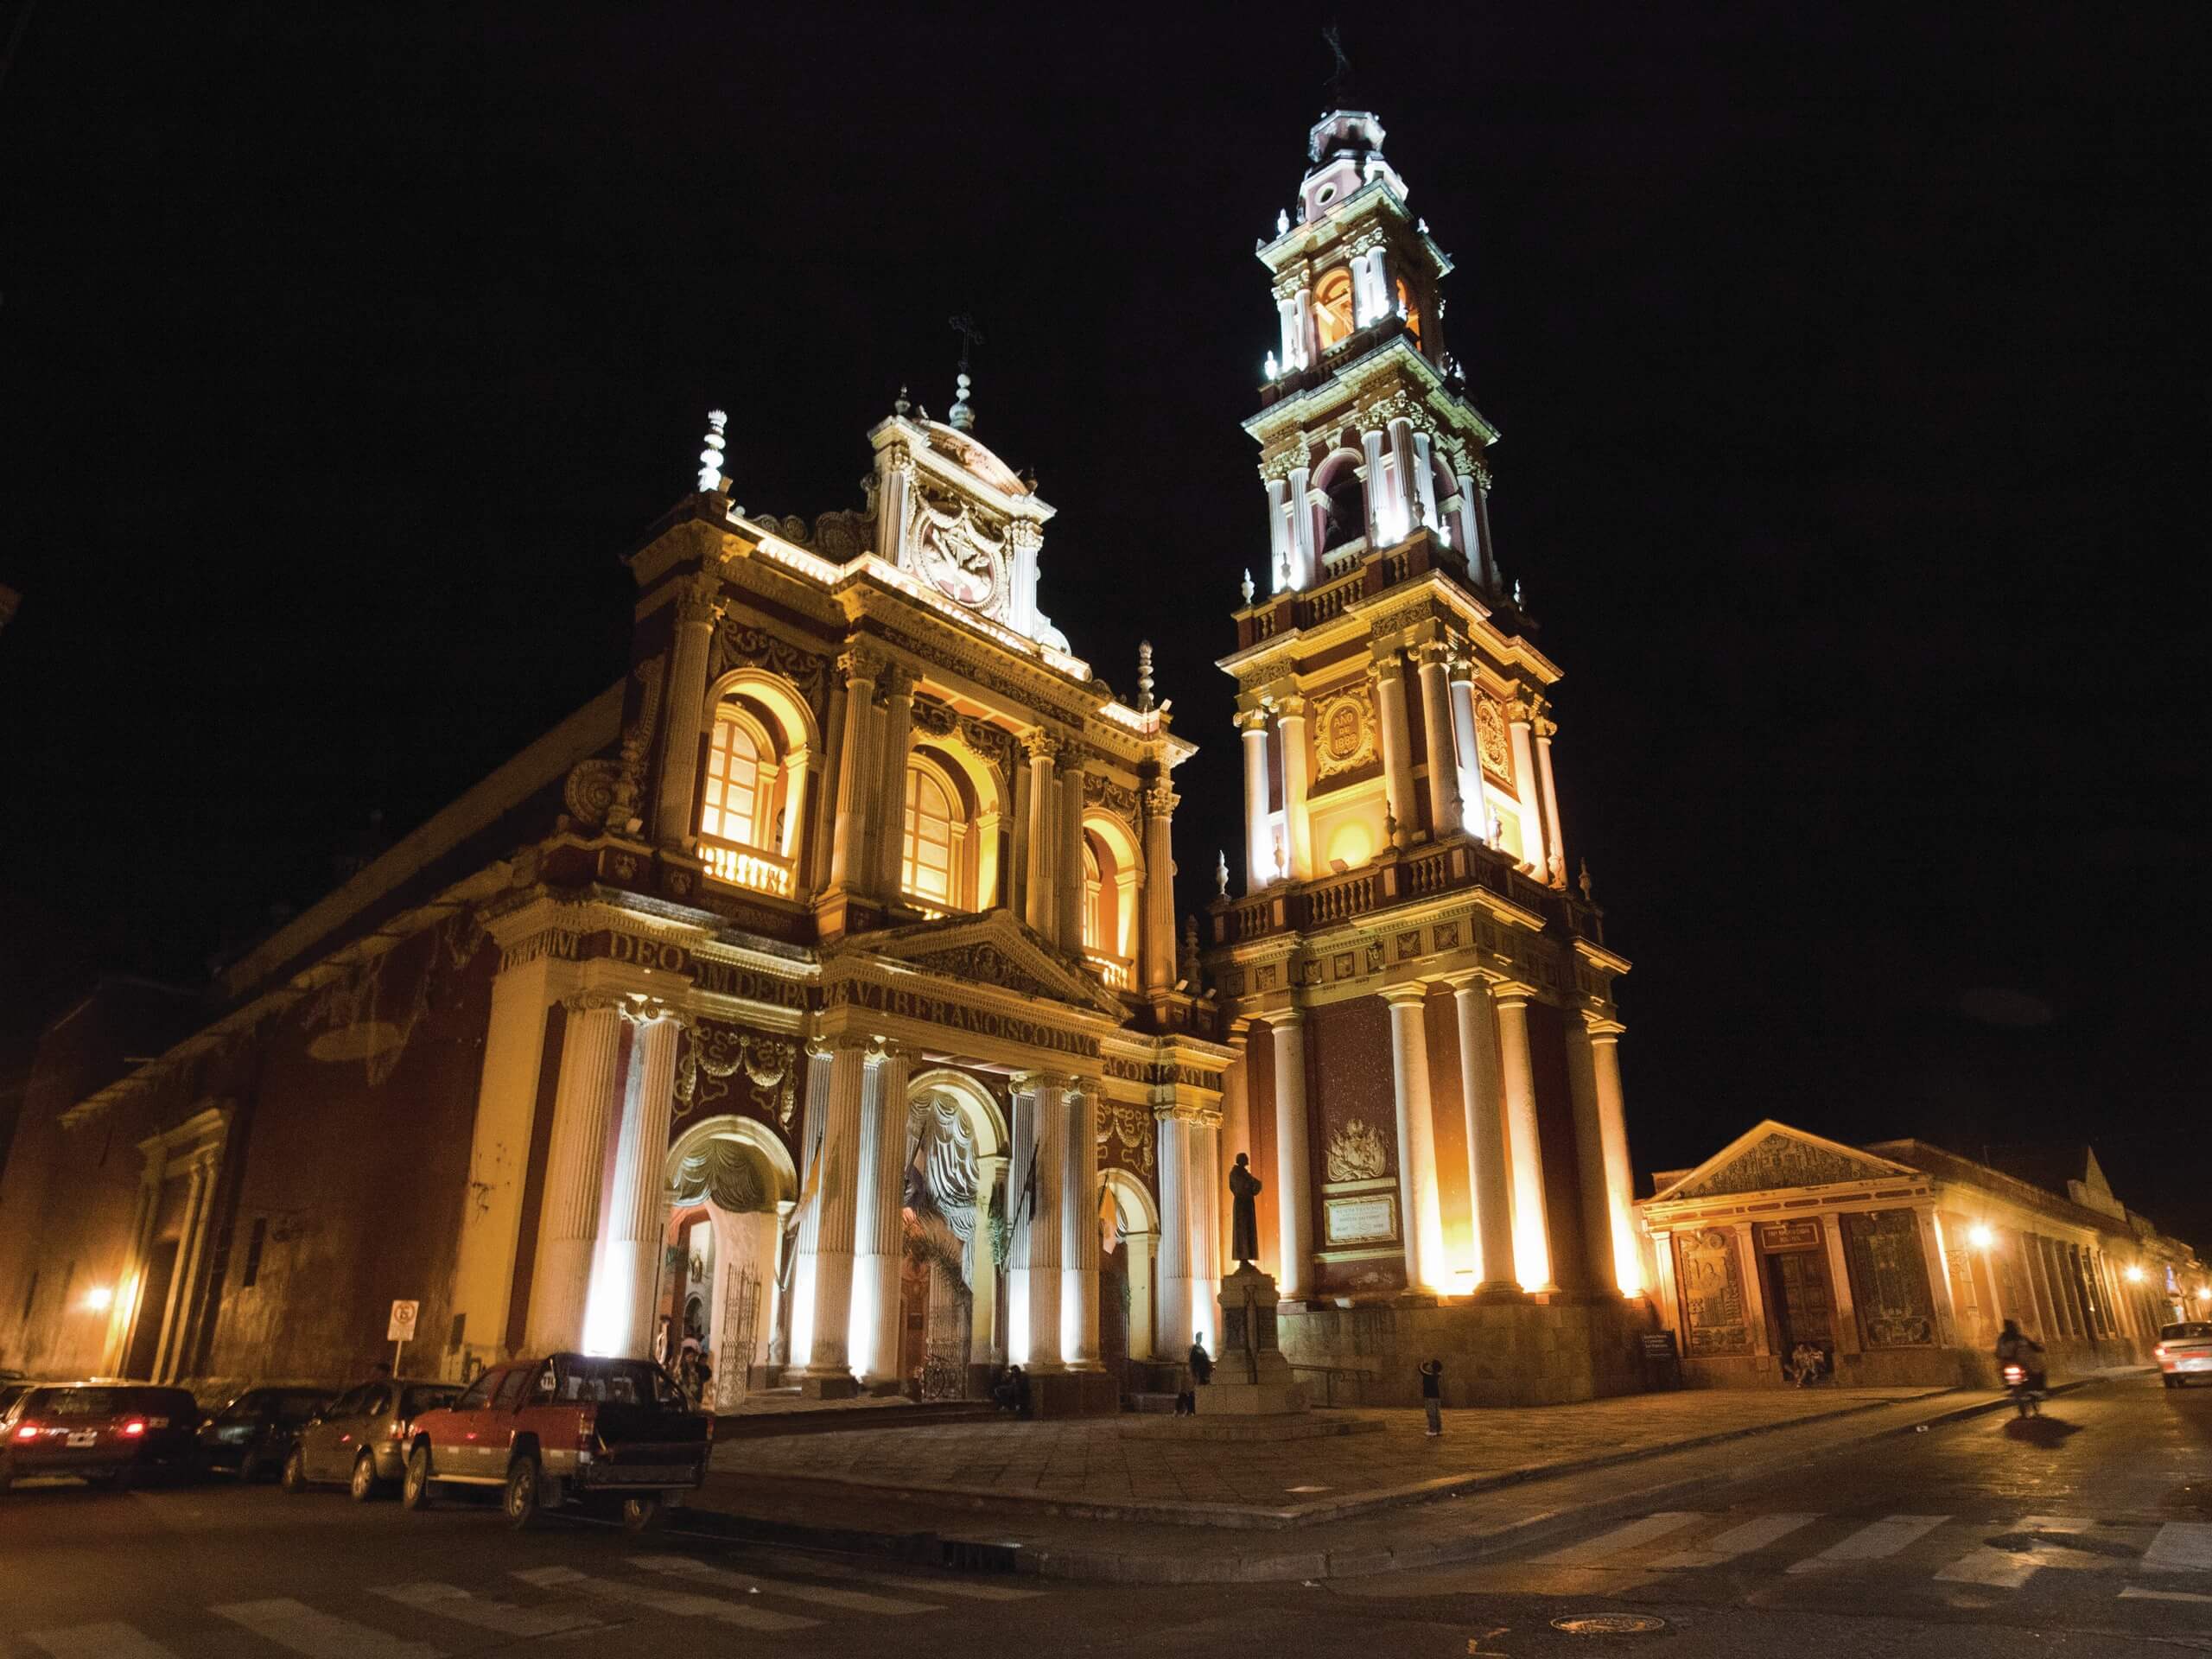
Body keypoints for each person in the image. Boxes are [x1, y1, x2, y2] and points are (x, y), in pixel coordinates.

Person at [1995, 1319, 2045, 1392]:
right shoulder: (2020, 1338)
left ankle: (2008, 1384)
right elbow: (2033, 1347)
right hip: (2020, 1363)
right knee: (2037, 1371)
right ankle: (2040, 1390)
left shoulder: (2002, 1339)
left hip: (2009, 1364)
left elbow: (1998, 1352)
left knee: (2001, 1369)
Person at [1179, 1338, 1212, 1415]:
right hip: (1197, 1372)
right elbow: (1191, 1361)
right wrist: (1193, 1372)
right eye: (1199, 1338)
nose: (1200, 1339)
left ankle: (1192, 1409)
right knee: (1194, 1391)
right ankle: (1190, 1409)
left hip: (1203, 1372)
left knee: (1199, 1390)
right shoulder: (1194, 1349)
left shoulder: (1201, 1349)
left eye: (1201, 1338)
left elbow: (1206, 1359)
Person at [1419, 1357, 1445, 1436]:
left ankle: (1432, 1431)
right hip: (1437, 1397)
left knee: (1431, 1414)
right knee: (1437, 1414)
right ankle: (1439, 1430)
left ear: (1432, 1368)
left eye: (1430, 1365)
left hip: (1429, 1397)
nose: (1428, 1366)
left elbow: (1421, 1369)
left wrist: (1423, 1363)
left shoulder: (1428, 1374)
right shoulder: (1437, 1375)